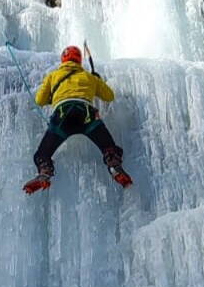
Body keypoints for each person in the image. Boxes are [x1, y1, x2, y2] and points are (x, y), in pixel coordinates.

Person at [24, 46, 132, 194]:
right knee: (109, 148)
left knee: (42, 154)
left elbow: (39, 100)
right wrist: (97, 80)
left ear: (63, 59)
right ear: (79, 60)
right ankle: (114, 165)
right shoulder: (89, 77)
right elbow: (109, 96)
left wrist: (55, 98)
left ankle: (45, 171)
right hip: (86, 115)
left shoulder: (53, 75)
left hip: (62, 116)